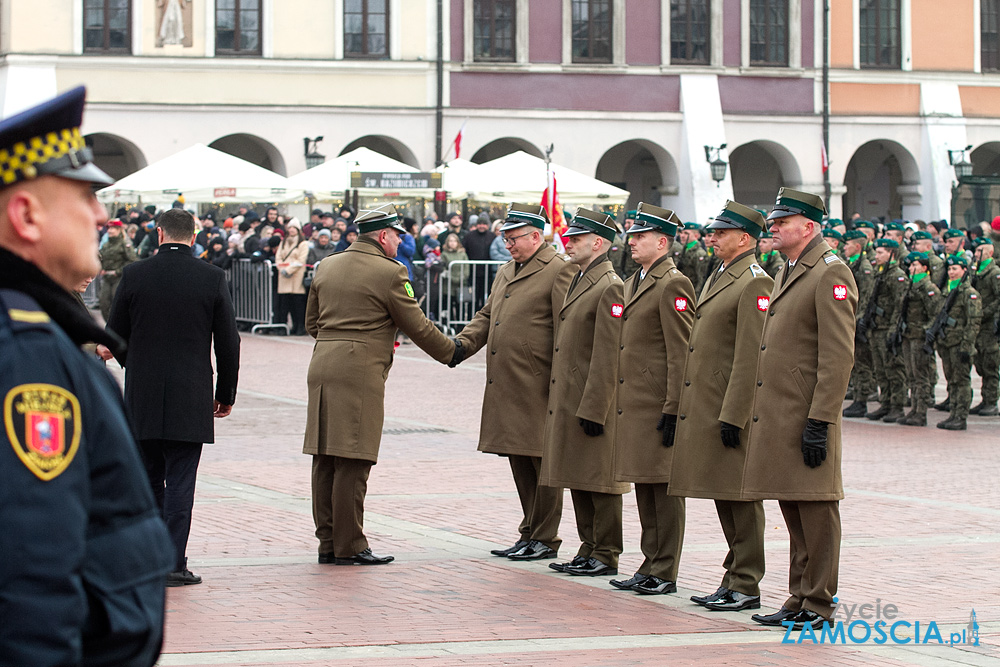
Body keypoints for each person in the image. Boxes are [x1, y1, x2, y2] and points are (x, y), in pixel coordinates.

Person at [0, 86, 174, 666]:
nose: (101, 214)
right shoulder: (26, 356)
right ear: (26, 215)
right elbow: (28, 577)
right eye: (84, 196)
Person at [304, 204, 461, 565]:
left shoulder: (326, 265)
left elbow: (312, 322)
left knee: (324, 457)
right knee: (354, 459)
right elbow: (417, 325)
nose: (400, 241)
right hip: (359, 370)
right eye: (398, 235)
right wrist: (451, 352)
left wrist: (336, 340)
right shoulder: (391, 271)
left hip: (322, 364)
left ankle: (328, 542)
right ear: (384, 235)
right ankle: (351, 545)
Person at [742, 188, 857, 631]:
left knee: (816, 509)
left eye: (780, 223)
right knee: (792, 506)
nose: (772, 229)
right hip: (783, 411)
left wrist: (821, 420)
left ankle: (819, 601)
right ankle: (799, 595)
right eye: (772, 223)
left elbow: (837, 356)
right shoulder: (788, 268)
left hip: (808, 413)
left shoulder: (831, 273)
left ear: (808, 227)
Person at [107, 207, 241, 587]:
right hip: (191, 392)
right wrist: (225, 392)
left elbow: (114, 333)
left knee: (148, 480)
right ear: (194, 237)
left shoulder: (135, 274)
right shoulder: (212, 277)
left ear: (160, 234)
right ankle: (173, 562)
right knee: (182, 481)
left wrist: (135, 364)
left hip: (143, 394)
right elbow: (228, 341)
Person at [455, 203, 575, 561]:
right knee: (520, 458)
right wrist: (462, 345)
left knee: (542, 462)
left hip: (538, 381)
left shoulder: (558, 270)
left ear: (537, 236)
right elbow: (488, 314)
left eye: (515, 238)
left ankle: (545, 536)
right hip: (509, 381)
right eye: (505, 238)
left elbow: (564, 328)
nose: (508, 245)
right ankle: (529, 530)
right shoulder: (508, 270)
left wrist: (559, 380)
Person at [669, 201, 773, 613]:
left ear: (744, 238)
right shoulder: (721, 274)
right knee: (722, 494)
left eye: (720, 233)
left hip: (730, 406)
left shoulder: (754, 282)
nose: (711, 238)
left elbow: (751, 355)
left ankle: (746, 582)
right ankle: (732, 578)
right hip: (710, 402)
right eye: (712, 232)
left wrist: (735, 413)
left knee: (740, 497)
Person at [610, 202, 695, 596]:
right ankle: (649, 563)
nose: (632, 242)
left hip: (658, 402)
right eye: (632, 236)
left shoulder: (672, 283)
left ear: (662, 242)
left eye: (640, 237)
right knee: (644, 484)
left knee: (662, 487)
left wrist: (675, 406)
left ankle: (665, 569)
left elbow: (681, 351)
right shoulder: (637, 279)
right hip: (637, 401)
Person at [538, 209, 627, 578]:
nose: (568, 242)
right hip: (573, 394)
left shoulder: (609, 284)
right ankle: (588, 546)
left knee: (599, 479)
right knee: (578, 474)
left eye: (577, 238)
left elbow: (608, 354)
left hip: (593, 398)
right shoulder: (581, 278)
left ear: (599, 243)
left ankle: (605, 551)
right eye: (569, 237)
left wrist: (594, 406)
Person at [931, 255, 982, 430]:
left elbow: (973, 322)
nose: (952, 272)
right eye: (950, 269)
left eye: (955, 269)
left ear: (964, 271)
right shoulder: (946, 291)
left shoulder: (969, 293)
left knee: (961, 381)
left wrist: (967, 346)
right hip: (946, 342)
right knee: (951, 380)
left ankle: (961, 416)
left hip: (960, 343)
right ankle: (953, 413)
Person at [894, 252, 942, 426]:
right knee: (911, 374)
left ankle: (921, 412)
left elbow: (935, 314)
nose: (911, 269)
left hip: (920, 337)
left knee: (921, 375)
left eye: (915, 266)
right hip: (908, 335)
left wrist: (926, 332)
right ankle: (913, 409)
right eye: (910, 266)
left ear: (925, 268)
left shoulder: (928, 288)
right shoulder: (910, 286)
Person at [864, 239, 908, 423]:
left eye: (881, 252)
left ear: (891, 254)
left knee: (894, 369)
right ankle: (886, 403)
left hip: (888, 329)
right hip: (876, 327)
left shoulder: (897, 276)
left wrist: (893, 329)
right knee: (880, 369)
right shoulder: (878, 273)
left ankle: (897, 406)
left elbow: (900, 306)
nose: (876, 256)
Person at [842, 230, 877, 417]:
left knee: (862, 363)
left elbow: (865, 296)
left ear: (857, 246)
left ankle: (862, 400)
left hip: (858, 321)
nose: (844, 247)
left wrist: (859, 319)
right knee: (854, 362)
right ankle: (857, 397)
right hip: (850, 319)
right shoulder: (851, 264)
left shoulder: (864, 267)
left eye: (847, 244)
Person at [969, 237, 1000, 416]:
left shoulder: (994, 272)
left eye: (980, 251)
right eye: (976, 251)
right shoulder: (976, 271)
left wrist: (986, 312)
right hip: (978, 324)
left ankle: (991, 401)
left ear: (989, 253)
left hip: (989, 325)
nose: (976, 254)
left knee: (990, 363)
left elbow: (998, 298)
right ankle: (985, 399)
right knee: (980, 363)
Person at [275, 219, 309, 335]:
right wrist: (282, 269)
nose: (292, 230)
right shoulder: (283, 242)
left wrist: (289, 270)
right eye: (290, 228)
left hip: (296, 276)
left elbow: (301, 260)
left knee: (298, 305)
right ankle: (284, 327)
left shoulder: (303, 244)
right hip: (284, 276)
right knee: (285, 304)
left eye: (294, 228)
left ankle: (299, 326)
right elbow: (278, 257)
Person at [98, 218, 137, 320]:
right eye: (109, 228)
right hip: (106, 278)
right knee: (103, 303)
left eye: (113, 228)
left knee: (118, 305)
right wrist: (100, 267)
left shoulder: (125, 244)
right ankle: (110, 325)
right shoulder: (106, 245)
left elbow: (132, 260)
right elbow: (101, 258)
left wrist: (118, 271)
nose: (110, 231)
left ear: (119, 230)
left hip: (119, 278)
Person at [463, 213, 495, 311]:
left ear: (488, 225)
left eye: (484, 224)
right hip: (473, 273)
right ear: (476, 225)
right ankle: (471, 317)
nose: (482, 226)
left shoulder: (492, 236)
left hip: (488, 272)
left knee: (488, 297)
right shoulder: (469, 236)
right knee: (473, 298)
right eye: (479, 224)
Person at [441, 232, 470, 323]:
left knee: (459, 308)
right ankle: (450, 326)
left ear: (458, 242)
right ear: (447, 242)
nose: (452, 243)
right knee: (448, 306)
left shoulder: (463, 254)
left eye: (454, 241)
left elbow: (466, 269)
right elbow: (443, 268)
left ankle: (460, 326)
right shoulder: (444, 254)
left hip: (461, 284)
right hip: (448, 286)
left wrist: (460, 279)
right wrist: (452, 278)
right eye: (450, 241)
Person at [675, 222, 709, 293]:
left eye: (686, 233)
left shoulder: (699, 253)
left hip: (692, 293)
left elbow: (701, 279)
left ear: (696, 236)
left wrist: (696, 298)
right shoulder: (682, 250)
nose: (682, 236)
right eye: (681, 233)